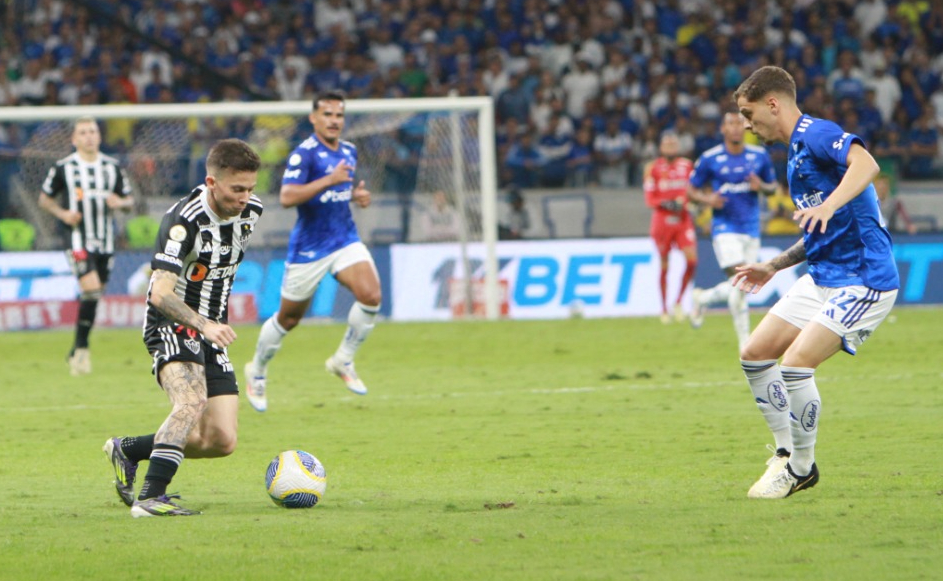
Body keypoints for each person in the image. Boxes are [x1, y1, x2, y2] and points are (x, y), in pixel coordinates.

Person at [732, 66, 899, 499]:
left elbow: (867, 163)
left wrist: (828, 204)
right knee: (754, 354)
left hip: (865, 280)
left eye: (749, 114)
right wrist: (773, 266)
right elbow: (820, 229)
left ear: (774, 103)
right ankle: (786, 451)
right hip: (824, 274)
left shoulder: (817, 133)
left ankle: (802, 469)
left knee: (795, 364)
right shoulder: (793, 153)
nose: (747, 126)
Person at [103, 139, 264, 517]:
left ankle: (128, 449)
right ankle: (150, 497)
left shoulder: (251, 212)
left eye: (251, 189)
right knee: (190, 402)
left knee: (221, 440)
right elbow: (160, 293)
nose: (245, 197)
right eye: (236, 189)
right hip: (173, 322)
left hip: (212, 330)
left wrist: (212, 323)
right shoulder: (182, 221)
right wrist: (203, 323)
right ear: (212, 182)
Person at [244, 90, 381, 412]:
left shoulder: (349, 150)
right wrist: (330, 180)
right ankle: (257, 371)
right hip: (310, 248)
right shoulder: (303, 154)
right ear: (314, 118)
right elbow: (288, 196)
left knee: (371, 295)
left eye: (339, 115)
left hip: (344, 239)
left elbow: (336, 193)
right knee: (288, 319)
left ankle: (343, 360)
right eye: (328, 115)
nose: (334, 121)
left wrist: (354, 196)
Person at [37, 117, 134, 376]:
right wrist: (63, 214)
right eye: (83, 132)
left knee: (95, 293)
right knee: (90, 288)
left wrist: (120, 203)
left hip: (105, 240)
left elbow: (129, 200)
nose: (89, 136)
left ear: (99, 137)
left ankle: (76, 348)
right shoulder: (63, 168)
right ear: (74, 139)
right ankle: (82, 348)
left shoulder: (112, 167)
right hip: (77, 239)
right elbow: (44, 199)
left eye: (93, 131)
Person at [687, 111, 779, 350]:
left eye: (740, 123)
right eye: (731, 124)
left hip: (751, 227)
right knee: (741, 279)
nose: (736, 128)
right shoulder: (710, 158)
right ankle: (745, 344)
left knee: (742, 284)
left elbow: (772, 187)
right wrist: (708, 200)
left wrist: (762, 187)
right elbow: (690, 190)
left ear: (746, 127)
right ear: (723, 129)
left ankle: (702, 298)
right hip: (724, 227)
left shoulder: (759, 156)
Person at [642, 131, 697, 324]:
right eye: (667, 144)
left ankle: (679, 301)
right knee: (665, 264)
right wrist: (669, 203)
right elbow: (650, 199)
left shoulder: (687, 165)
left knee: (692, 261)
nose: (671, 147)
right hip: (662, 221)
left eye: (674, 143)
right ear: (661, 147)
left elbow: (693, 190)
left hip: (683, 220)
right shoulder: (653, 168)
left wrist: (686, 201)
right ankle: (664, 308)